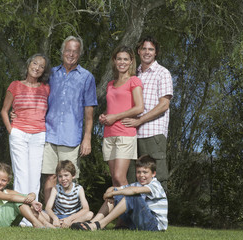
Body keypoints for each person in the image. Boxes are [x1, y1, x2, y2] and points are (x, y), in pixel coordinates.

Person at [42, 36, 98, 204]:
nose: (71, 54)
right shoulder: (50, 74)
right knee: (50, 176)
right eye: (68, 50)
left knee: (68, 179)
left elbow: (89, 111)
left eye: (75, 51)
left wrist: (87, 138)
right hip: (48, 133)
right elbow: (37, 97)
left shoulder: (87, 77)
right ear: (62, 52)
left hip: (71, 136)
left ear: (80, 54)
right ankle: (47, 214)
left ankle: (66, 214)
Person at [0, 53, 50, 225]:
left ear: (44, 71)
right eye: (34, 63)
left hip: (39, 134)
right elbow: (4, 111)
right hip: (19, 133)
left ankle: (31, 219)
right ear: (28, 64)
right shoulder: (15, 85)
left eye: (41, 66)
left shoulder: (46, 88)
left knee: (34, 176)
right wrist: (10, 130)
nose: (37, 67)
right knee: (21, 174)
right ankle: (22, 216)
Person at [122, 36, 173, 191]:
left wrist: (140, 120)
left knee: (156, 180)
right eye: (144, 49)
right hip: (132, 135)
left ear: (156, 52)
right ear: (138, 51)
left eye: (151, 49)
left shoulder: (162, 73)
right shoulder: (133, 75)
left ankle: (158, 215)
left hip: (153, 134)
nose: (147, 52)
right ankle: (135, 215)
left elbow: (164, 105)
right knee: (133, 179)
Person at [71, 155, 168, 231]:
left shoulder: (155, 185)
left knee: (131, 196)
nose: (141, 175)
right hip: (139, 222)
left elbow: (133, 191)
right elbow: (113, 188)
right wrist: (109, 192)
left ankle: (99, 225)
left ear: (153, 173)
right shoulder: (137, 184)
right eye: (138, 172)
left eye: (145, 172)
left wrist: (113, 193)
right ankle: (92, 222)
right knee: (118, 196)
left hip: (154, 226)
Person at [99, 45, 144, 187]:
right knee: (114, 180)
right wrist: (104, 116)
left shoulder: (134, 80)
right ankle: (121, 209)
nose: (122, 62)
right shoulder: (110, 84)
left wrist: (115, 117)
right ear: (114, 60)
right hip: (109, 134)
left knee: (119, 176)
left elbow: (139, 107)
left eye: (125, 59)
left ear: (131, 62)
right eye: (119, 59)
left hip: (125, 133)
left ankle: (134, 208)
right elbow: (112, 107)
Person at [0, 162, 54, 228]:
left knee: (22, 200)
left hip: (9, 222)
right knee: (17, 201)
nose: (0, 182)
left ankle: (46, 223)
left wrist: (32, 195)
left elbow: (26, 195)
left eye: (3, 180)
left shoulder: (7, 191)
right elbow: (11, 197)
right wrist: (32, 201)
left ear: (8, 181)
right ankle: (37, 224)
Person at [45, 160, 93, 228]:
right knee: (39, 213)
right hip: (58, 216)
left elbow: (86, 208)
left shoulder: (79, 189)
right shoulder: (56, 188)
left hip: (73, 217)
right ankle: (64, 224)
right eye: (60, 176)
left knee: (89, 214)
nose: (63, 179)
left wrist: (69, 219)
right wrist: (55, 218)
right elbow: (48, 208)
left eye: (66, 175)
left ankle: (68, 224)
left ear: (73, 175)